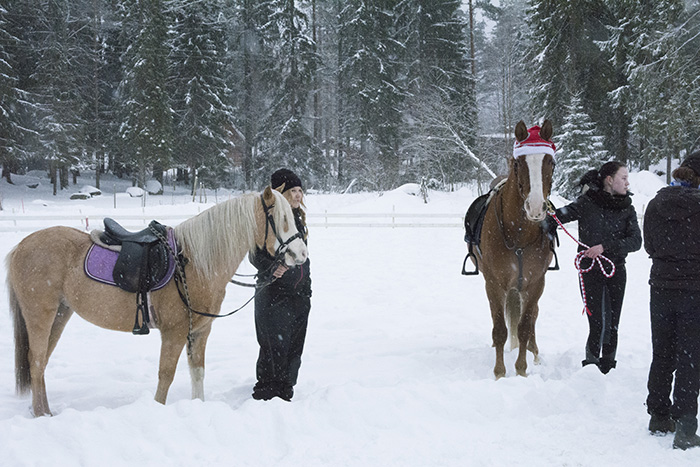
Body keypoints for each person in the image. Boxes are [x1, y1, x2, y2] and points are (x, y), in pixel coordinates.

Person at [551, 161, 642, 374]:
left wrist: (605, 247)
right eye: (623, 178)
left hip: (616, 269)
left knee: (613, 323)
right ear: (609, 180)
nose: (627, 183)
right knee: (597, 322)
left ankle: (608, 366)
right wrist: (543, 210)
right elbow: (558, 217)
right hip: (591, 270)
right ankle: (591, 366)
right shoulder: (587, 202)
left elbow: (636, 241)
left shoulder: (627, 208)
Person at [644, 150, 700, 449]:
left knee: (663, 352)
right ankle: (686, 426)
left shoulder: (656, 203)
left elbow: (650, 246)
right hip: (694, 289)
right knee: (691, 357)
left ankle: (658, 414)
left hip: (661, 287)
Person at [250, 168, 312, 401]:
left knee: (294, 347)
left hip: (299, 294)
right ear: (280, 193)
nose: (298, 195)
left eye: (300, 190)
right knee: (273, 346)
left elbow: (303, 257)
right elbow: (254, 253)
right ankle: (267, 390)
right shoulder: (268, 218)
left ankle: (286, 387)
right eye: (292, 190)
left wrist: (306, 288)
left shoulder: (298, 219)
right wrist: (270, 267)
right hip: (274, 294)